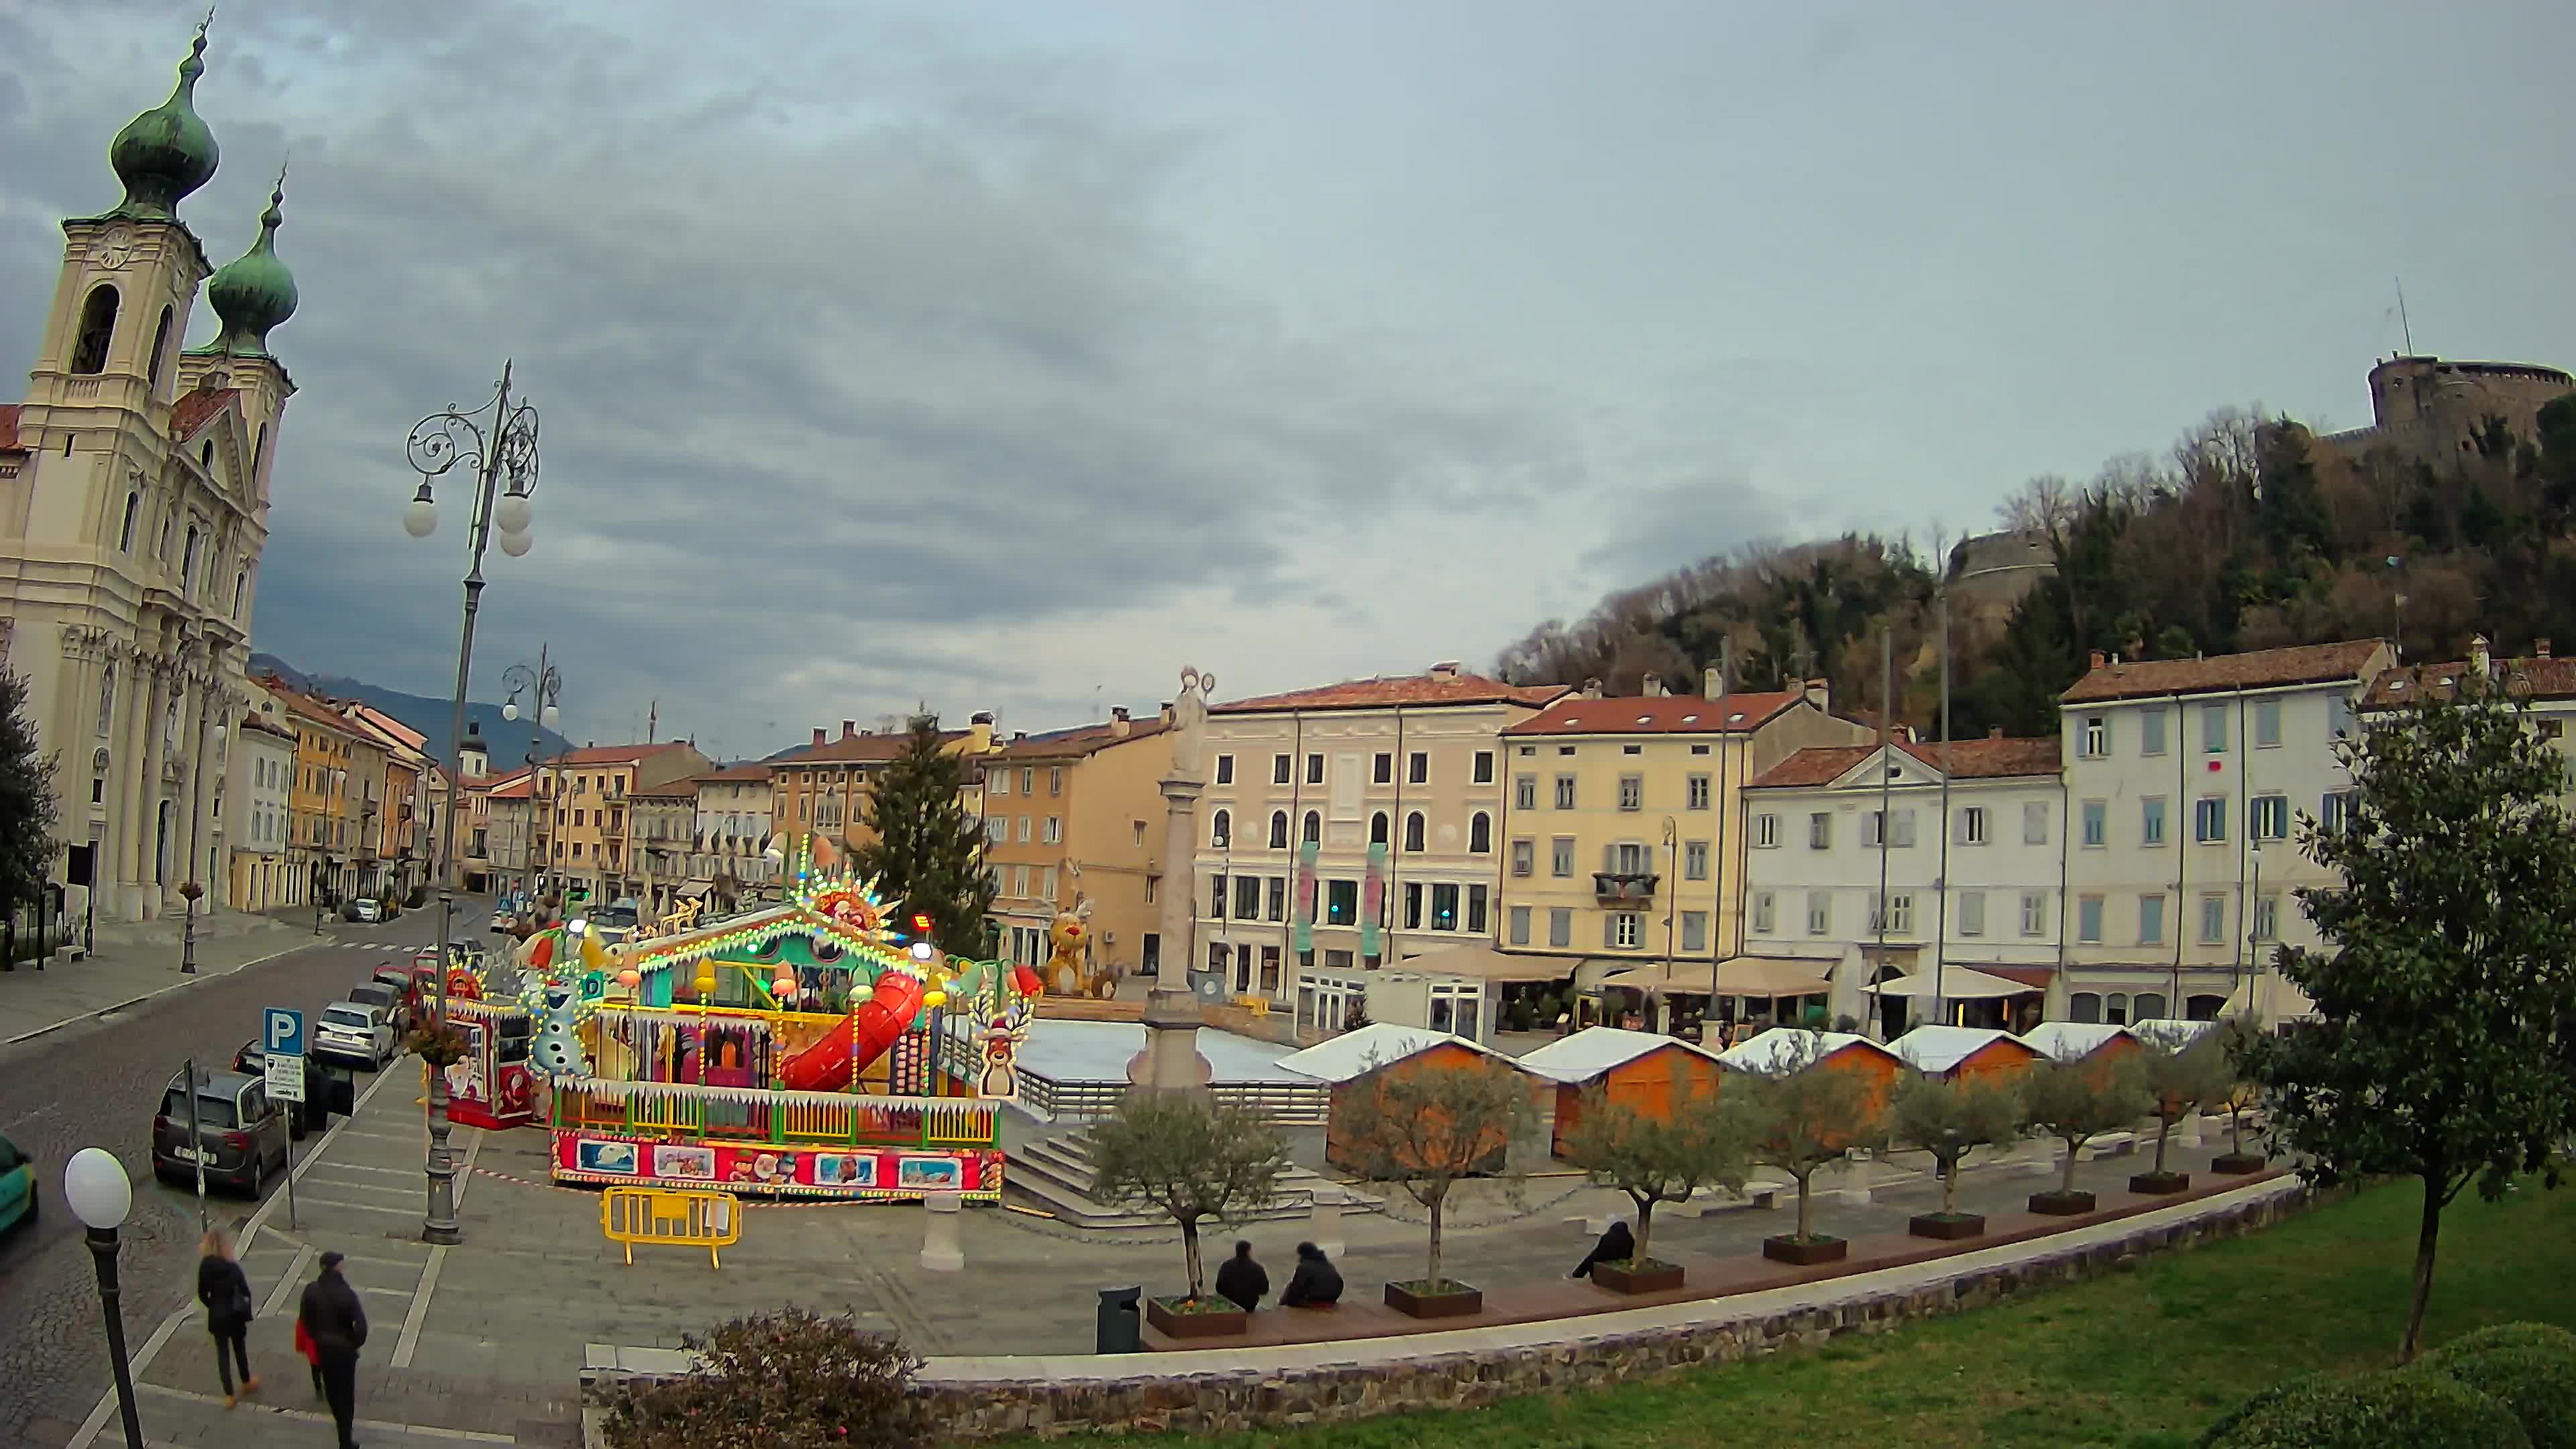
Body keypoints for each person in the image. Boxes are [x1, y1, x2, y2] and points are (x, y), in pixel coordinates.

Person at [299, 1250, 369, 1449]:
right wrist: (353, 1342)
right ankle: (345, 1439)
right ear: (336, 1267)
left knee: (332, 1390)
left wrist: (317, 1337)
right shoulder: (347, 1294)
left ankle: (341, 1425)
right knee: (346, 1394)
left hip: (324, 1348)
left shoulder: (311, 1290)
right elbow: (361, 1327)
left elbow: (305, 1319)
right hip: (345, 1351)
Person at [195, 1230, 258, 1406]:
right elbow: (245, 1291)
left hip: (217, 1315)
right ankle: (246, 1382)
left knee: (222, 1353)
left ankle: (229, 1395)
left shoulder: (205, 1266)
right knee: (240, 1350)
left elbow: (202, 1293)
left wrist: (213, 1306)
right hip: (236, 1315)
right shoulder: (233, 1267)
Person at [1277, 1241, 1342, 1308]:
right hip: (1331, 1301)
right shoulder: (1329, 1265)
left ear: (1303, 1254)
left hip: (1313, 1302)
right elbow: (1340, 1282)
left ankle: (1279, 1307)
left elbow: (1296, 1289)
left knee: (1290, 1286)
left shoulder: (1303, 1267)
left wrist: (1285, 1300)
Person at [1213, 1240, 1269, 1313]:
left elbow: (1219, 1289)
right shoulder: (1257, 1268)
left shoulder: (1225, 1266)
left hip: (1230, 1308)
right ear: (1248, 1252)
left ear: (1237, 1251)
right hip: (1250, 1307)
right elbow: (1264, 1290)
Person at [1570, 1220, 1636, 1279]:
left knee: (1590, 1259)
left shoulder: (1608, 1237)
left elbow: (1600, 1250)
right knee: (1591, 1258)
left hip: (1605, 1259)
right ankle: (1578, 1273)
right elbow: (1630, 1253)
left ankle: (1577, 1274)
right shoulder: (1630, 1239)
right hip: (1621, 1259)